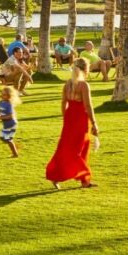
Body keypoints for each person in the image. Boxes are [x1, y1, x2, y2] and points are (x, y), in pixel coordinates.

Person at [46, 58, 100, 189]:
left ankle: (73, 178)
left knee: (66, 147)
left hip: (70, 117)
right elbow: (88, 105)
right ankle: (84, 177)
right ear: (85, 69)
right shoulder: (83, 85)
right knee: (79, 148)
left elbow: (63, 102)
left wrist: (66, 118)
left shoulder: (68, 84)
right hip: (80, 118)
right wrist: (94, 123)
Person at [0, 86, 20, 158]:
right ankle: (14, 148)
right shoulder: (1, 102)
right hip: (6, 124)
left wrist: (1, 117)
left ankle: (15, 153)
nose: (2, 96)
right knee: (3, 137)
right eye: (1, 94)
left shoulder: (9, 104)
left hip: (11, 124)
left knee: (7, 138)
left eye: (4, 95)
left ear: (9, 96)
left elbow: (10, 116)